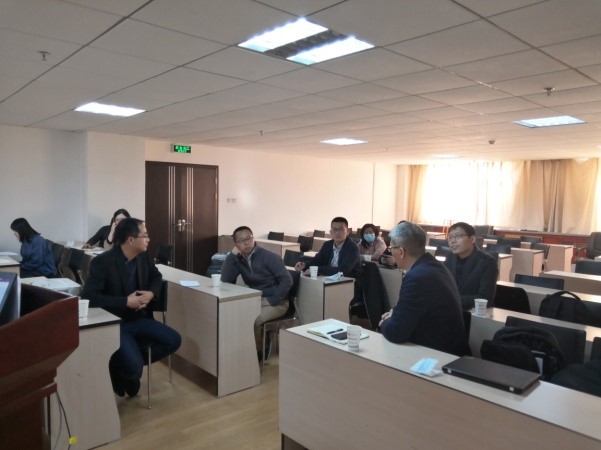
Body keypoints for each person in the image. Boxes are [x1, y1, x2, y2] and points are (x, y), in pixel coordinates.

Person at [81, 217, 181, 397]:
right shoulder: (103, 262)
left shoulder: (143, 257)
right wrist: (125, 302)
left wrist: (151, 293)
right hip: (116, 323)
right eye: (145, 236)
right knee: (134, 368)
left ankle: (121, 367)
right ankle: (130, 368)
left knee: (174, 340)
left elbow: (156, 277)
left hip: (140, 318)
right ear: (131, 240)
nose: (149, 239)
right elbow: (89, 297)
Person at [379, 221, 470, 356]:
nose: (390, 252)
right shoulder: (432, 265)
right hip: (447, 344)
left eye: (391, 248)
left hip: (440, 355)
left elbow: (396, 333)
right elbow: (413, 307)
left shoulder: (417, 277)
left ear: (401, 252)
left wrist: (385, 322)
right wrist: (396, 314)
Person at [221, 226, 292, 360]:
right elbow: (225, 279)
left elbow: (287, 281)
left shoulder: (270, 257)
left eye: (248, 238)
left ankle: (257, 356)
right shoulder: (239, 259)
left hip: (278, 302)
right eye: (241, 241)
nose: (246, 243)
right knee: (235, 314)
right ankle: (242, 350)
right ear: (236, 244)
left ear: (253, 238)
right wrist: (231, 255)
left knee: (254, 320)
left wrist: (271, 300)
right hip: (256, 300)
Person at [444, 222, 498, 310]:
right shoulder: (450, 257)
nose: (452, 241)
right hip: (448, 309)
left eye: (457, 236)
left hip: (471, 312)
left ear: (472, 239)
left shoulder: (487, 262)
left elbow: (485, 298)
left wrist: (452, 299)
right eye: (450, 237)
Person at [294, 217, 361, 278]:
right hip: (328, 280)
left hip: (349, 282)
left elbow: (343, 270)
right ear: (331, 232)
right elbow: (317, 261)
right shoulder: (327, 245)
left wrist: (317, 270)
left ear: (348, 231)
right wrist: (304, 265)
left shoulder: (353, 248)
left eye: (341, 229)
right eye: (334, 229)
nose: (337, 232)